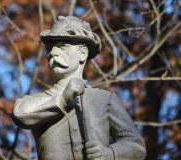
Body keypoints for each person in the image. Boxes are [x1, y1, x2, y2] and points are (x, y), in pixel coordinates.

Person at [12, 16, 146, 160]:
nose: (52, 52)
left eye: (63, 46)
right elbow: (20, 115)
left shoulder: (105, 99)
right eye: (50, 48)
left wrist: (109, 153)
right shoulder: (41, 100)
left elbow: (136, 145)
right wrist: (63, 100)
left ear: (82, 54)